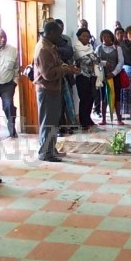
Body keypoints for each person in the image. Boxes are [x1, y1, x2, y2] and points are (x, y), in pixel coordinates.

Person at [34, 21, 79, 162]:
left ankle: (51, 149)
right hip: (47, 90)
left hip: (54, 89)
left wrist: (69, 67)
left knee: (53, 121)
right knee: (48, 122)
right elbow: (48, 74)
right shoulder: (43, 49)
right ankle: (45, 152)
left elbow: (57, 63)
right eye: (59, 34)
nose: (61, 37)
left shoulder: (50, 46)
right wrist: (66, 70)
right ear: (52, 33)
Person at [95, 29, 124, 125]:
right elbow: (95, 60)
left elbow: (121, 62)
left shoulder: (117, 48)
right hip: (103, 76)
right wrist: (104, 63)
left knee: (116, 97)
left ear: (112, 38)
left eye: (108, 37)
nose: (106, 39)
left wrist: (114, 73)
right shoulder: (98, 48)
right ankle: (104, 119)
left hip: (115, 76)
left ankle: (119, 118)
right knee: (104, 97)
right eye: (104, 37)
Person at [73, 27, 98, 131]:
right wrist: (94, 58)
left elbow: (96, 59)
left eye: (88, 36)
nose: (86, 38)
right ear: (79, 37)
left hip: (92, 76)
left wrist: (94, 59)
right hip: (82, 76)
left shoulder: (90, 47)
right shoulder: (76, 47)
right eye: (83, 36)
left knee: (91, 98)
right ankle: (83, 121)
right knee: (84, 99)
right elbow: (86, 60)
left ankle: (88, 118)